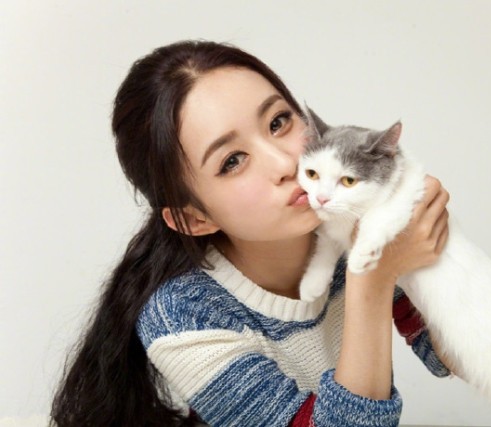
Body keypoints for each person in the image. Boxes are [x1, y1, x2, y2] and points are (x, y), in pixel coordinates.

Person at [50, 40, 451, 427]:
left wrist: (433, 252)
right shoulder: (184, 315)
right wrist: (373, 276)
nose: (285, 163)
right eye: (232, 161)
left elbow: (444, 357)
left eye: (278, 122)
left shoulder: (351, 226)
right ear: (194, 219)